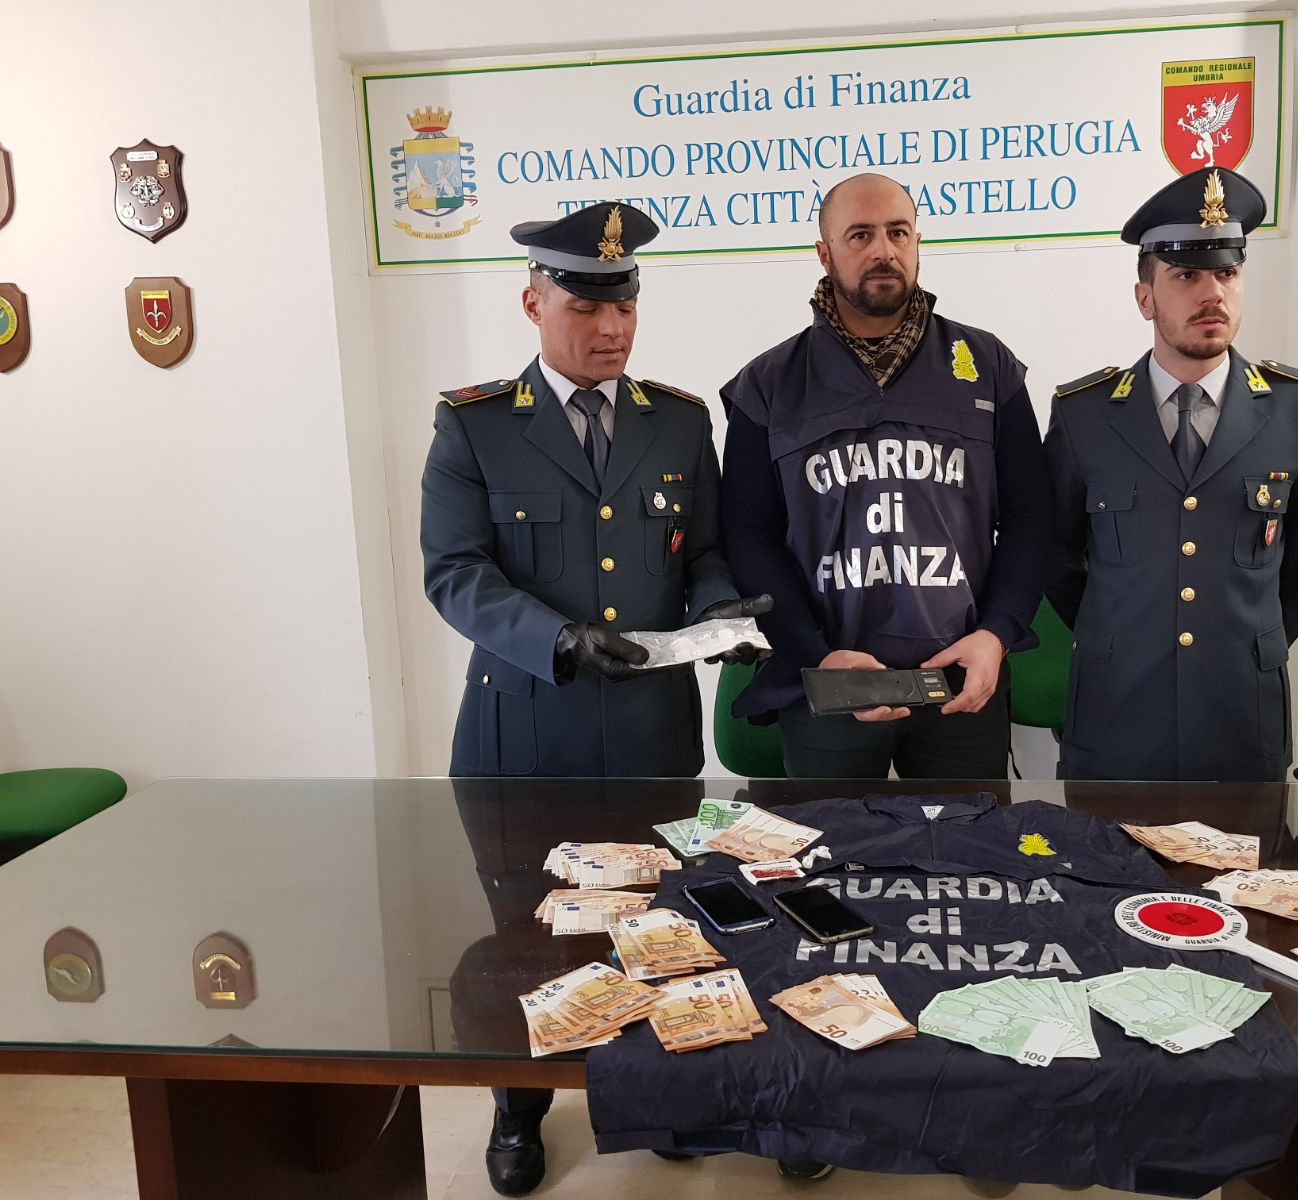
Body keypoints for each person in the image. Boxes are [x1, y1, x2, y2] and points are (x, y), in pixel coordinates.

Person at [420, 201, 769, 1196]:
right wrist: (561, 640)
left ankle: (655, 1095)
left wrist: (720, 609)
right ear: (533, 303)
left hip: (651, 735)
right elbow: (455, 573)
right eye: (586, 308)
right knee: (526, 934)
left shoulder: (678, 421)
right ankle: (519, 1104)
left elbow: (701, 554)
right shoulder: (476, 424)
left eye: (625, 306)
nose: (611, 329)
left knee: (655, 925)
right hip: (522, 740)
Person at [719, 172, 1052, 785]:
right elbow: (748, 537)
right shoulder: (767, 384)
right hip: (827, 683)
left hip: (961, 680)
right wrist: (814, 654)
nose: (883, 250)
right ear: (825, 254)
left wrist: (996, 634)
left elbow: (1032, 517)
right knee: (829, 848)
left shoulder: (988, 366)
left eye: (898, 233)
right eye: (860, 235)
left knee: (968, 844)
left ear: (917, 243)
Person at [1045, 167, 1298, 783]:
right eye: (1186, 275)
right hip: (1116, 710)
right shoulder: (1084, 416)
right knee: (1105, 846)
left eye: (1227, 274)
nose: (1213, 293)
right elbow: (1053, 556)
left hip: (1240, 710)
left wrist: (1247, 639)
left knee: (1245, 849)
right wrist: (1120, 633)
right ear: (1145, 298)